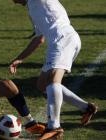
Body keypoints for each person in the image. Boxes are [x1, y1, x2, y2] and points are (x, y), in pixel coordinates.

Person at [9, 0, 97, 139]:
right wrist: (20, 58)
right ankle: (86, 108)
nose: (13, 1)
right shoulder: (32, 10)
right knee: (42, 84)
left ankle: (54, 127)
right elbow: (39, 39)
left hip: (63, 39)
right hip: (59, 42)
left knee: (53, 80)